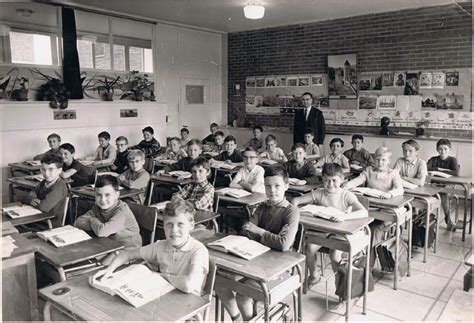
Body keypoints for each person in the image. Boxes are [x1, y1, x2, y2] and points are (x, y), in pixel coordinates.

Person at [215, 165, 299, 321]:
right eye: (267, 186)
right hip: (254, 259)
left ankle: (249, 320)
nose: (272, 190)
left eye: (277, 186)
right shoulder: (262, 206)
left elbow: (283, 244)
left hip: (278, 266)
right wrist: (264, 236)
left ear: (286, 186)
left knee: (242, 296)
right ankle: (237, 318)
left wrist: (259, 232)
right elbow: (246, 231)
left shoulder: (291, 211)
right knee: (217, 279)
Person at [97, 197, 209, 295]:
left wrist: (160, 275)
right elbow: (126, 255)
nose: (174, 230)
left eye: (180, 224)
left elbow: (189, 285)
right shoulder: (161, 246)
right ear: (163, 226)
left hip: (188, 305)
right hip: (163, 296)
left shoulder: (198, 250)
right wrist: (109, 269)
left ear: (191, 225)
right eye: (169, 225)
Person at [292, 163, 368, 286]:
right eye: (327, 181)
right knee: (309, 248)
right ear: (322, 179)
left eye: (334, 180)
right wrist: (294, 212)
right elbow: (296, 200)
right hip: (323, 231)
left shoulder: (346, 195)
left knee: (334, 256)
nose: (330, 184)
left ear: (342, 179)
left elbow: (363, 212)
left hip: (339, 233)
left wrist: (344, 216)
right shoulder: (319, 192)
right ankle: (314, 275)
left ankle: (340, 286)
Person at [342, 147, 404, 265]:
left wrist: (389, 194)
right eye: (377, 159)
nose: (380, 162)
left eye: (383, 160)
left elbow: (400, 189)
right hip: (369, 209)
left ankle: (368, 264)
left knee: (374, 229)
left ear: (389, 161)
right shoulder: (369, 170)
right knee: (352, 224)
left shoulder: (393, 173)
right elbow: (358, 180)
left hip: (384, 212)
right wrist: (346, 186)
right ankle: (352, 258)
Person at [75, 175, 142, 249]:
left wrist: (93, 220)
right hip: (109, 243)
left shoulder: (122, 212)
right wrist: (101, 227)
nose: (103, 200)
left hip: (128, 248)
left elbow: (102, 232)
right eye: (99, 195)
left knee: (95, 258)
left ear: (117, 195)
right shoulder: (98, 208)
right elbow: (78, 222)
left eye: (107, 195)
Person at [23, 154, 68, 228]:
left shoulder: (59, 186)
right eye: (43, 169)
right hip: (36, 219)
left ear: (59, 170)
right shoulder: (44, 182)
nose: (46, 173)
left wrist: (31, 200)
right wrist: (31, 199)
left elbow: (43, 207)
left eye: (51, 169)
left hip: (49, 224)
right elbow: (28, 196)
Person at [427, 139, 460, 230]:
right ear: (437, 150)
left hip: (448, 186)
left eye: (445, 149)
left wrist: (437, 169)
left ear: (450, 149)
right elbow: (427, 169)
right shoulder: (434, 159)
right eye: (440, 149)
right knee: (426, 193)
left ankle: (448, 219)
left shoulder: (453, 160)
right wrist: (446, 171)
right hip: (434, 185)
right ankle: (423, 219)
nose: (443, 151)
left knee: (443, 193)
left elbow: (456, 173)